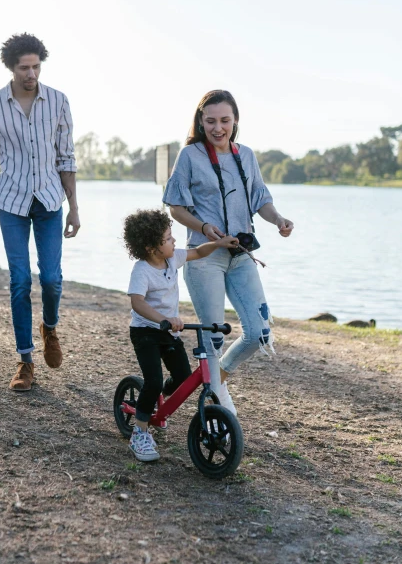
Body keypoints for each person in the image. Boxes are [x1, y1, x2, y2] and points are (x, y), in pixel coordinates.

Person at [163, 89, 294, 415]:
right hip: (204, 256)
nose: (218, 127)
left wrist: (277, 218)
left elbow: (260, 199)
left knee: (260, 333)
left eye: (224, 120)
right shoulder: (190, 155)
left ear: (235, 121)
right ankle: (220, 408)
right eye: (211, 121)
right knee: (214, 340)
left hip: (241, 255)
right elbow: (175, 208)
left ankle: (214, 378)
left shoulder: (246, 155)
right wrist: (205, 227)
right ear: (201, 121)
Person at [0, 33, 80, 392]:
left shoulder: (58, 102)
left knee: (51, 278)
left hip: (51, 201)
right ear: (12, 67)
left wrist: (74, 208)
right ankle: (25, 361)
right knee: (20, 281)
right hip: (12, 205)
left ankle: (49, 327)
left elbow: (66, 157)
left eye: (36, 66)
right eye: (25, 68)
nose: (31, 73)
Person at [123, 208, 238, 462]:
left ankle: (156, 401)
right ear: (152, 247)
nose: (174, 241)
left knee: (184, 377)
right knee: (152, 381)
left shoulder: (172, 258)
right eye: (168, 238)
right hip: (145, 332)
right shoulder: (142, 270)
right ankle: (139, 433)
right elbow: (137, 302)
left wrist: (218, 243)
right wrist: (163, 319)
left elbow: (198, 252)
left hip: (168, 332)